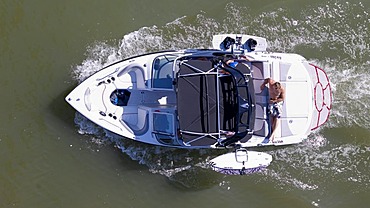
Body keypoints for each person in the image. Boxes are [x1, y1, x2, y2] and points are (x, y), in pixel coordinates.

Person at [260, 78, 285, 142]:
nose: (276, 91)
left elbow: (282, 98)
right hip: (271, 100)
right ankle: (272, 132)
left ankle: (273, 134)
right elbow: (268, 79)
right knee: (271, 115)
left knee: (277, 116)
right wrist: (263, 84)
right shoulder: (271, 82)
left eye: (278, 91)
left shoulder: (282, 90)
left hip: (277, 102)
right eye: (275, 89)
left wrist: (275, 100)